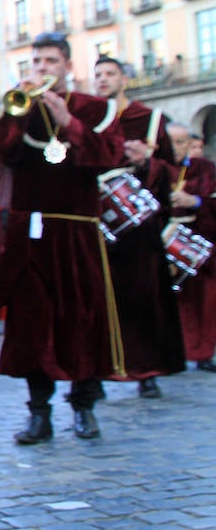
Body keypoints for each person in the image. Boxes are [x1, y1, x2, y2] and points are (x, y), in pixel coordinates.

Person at [0, 32, 125, 444]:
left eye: (50, 61)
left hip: (77, 231)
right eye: (36, 62)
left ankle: (83, 407)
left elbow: (108, 156)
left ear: (67, 65)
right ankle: (39, 413)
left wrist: (68, 121)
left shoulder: (95, 108)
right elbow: (1, 150)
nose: (42, 68)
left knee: (83, 318)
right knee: (32, 322)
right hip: (30, 231)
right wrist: (15, 113)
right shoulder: (22, 105)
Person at [91, 57, 184, 398]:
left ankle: (147, 370)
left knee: (143, 297)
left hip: (140, 225)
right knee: (99, 299)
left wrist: (146, 161)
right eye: (98, 74)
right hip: (97, 220)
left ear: (123, 79)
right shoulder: (88, 117)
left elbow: (172, 170)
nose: (103, 79)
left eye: (110, 74)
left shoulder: (150, 119)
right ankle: (97, 372)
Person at [167, 122, 216, 371]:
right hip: (161, 240)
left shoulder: (204, 169)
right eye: (170, 142)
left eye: (180, 142)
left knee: (204, 299)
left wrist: (195, 201)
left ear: (189, 144)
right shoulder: (156, 167)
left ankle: (203, 352)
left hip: (198, 240)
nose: (175, 148)